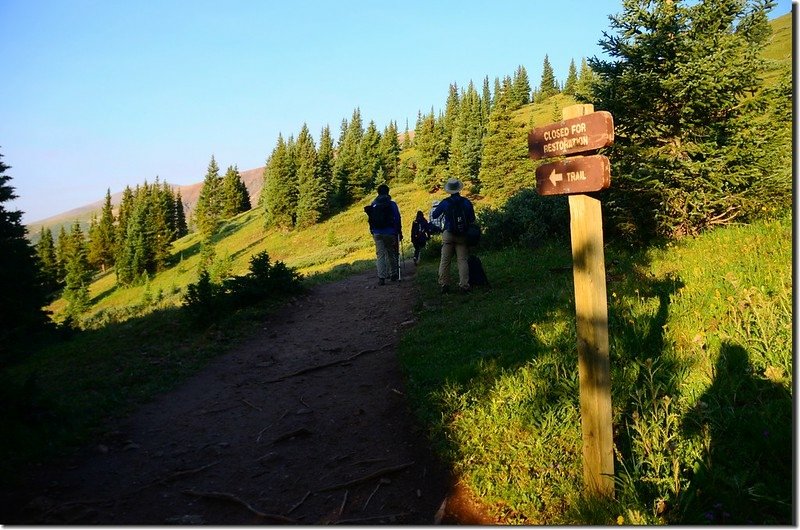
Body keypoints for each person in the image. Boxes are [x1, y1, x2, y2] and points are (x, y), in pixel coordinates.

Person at [431, 178, 475, 294]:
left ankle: (444, 284)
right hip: (462, 235)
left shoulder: (445, 202)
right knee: (462, 260)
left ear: (449, 190)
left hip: (448, 234)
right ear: (459, 189)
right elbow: (472, 219)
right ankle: (464, 285)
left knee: (445, 260)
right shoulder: (466, 202)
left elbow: (435, 215)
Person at [364, 183, 402, 285]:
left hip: (377, 232)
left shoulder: (374, 204)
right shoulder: (392, 204)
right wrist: (399, 231)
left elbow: (370, 219)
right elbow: (397, 218)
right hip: (390, 232)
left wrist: (372, 230)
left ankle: (381, 277)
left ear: (378, 192)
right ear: (388, 192)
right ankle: (393, 273)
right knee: (391, 252)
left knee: (380, 255)